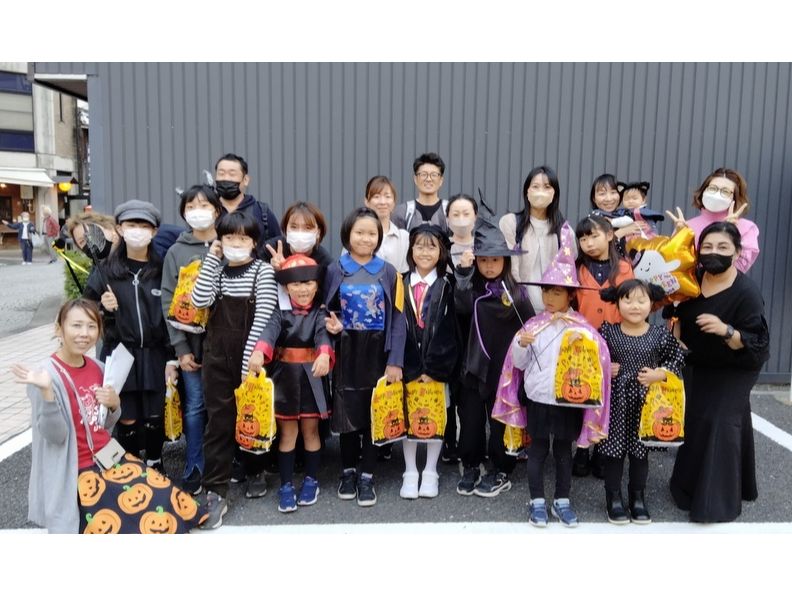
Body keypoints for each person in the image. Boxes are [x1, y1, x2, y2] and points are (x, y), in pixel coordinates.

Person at [12, 298, 205, 533]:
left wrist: (115, 405)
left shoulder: (98, 367)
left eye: (91, 326)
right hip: (78, 472)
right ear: (59, 329)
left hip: (109, 458)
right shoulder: (45, 376)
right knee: (126, 523)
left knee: (166, 497)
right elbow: (56, 436)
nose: (84, 333)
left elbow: (104, 424)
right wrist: (47, 393)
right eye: (76, 325)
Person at [493, 223, 611, 528]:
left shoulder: (583, 329)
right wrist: (521, 344)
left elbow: (597, 361)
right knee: (537, 450)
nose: (548, 297)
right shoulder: (533, 325)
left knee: (562, 452)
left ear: (570, 296)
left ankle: (562, 500)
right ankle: (537, 501)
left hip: (569, 401)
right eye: (546, 290)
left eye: (556, 292)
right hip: (538, 399)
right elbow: (518, 365)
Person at [667, 221, 769, 522]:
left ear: (737, 253)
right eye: (708, 247)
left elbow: (756, 344)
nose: (714, 252)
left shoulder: (747, 293)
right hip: (697, 361)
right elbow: (675, 315)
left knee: (719, 420)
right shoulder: (691, 279)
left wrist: (726, 330)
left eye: (723, 247)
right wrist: (675, 334)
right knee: (695, 419)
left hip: (735, 365)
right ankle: (687, 487)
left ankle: (715, 502)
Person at [191, 211, 278, 528]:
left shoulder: (262, 272)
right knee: (219, 422)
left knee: (252, 415)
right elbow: (199, 300)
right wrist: (212, 260)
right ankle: (216, 491)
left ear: (254, 242)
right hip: (216, 357)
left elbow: (263, 318)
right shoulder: (217, 271)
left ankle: (255, 471)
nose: (236, 243)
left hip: (249, 356)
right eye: (229, 237)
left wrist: (246, 368)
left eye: (243, 238)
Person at [324, 207, 407, 507]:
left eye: (372, 233)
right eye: (359, 232)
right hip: (346, 350)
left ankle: (367, 475)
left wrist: (395, 360)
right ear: (347, 234)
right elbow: (325, 310)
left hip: (378, 351)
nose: (365, 238)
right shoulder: (335, 270)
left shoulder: (389, 272)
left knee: (375, 412)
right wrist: (332, 329)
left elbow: (399, 318)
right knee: (347, 412)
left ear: (379, 237)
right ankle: (348, 471)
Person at [83, 200, 172, 475]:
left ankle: (155, 464)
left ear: (154, 232)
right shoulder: (105, 269)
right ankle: (131, 469)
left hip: (156, 352)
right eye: (131, 225)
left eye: (144, 226)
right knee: (126, 417)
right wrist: (102, 308)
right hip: (120, 352)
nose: (137, 230)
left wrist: (173, 356)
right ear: (120, 229)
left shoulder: (162, 268)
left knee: (155, 416)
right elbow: (85, 310)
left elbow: (173, 313)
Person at [454, 214, 534, 498]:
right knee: (471, 422)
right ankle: (471, 465)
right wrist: (463, 274)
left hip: (504, 371)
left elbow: (530, 326)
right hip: (473, 368)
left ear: (506, 261)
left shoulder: (517, 294)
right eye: (484, 260)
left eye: (496, 260)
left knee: (500, 421)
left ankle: (501, 469)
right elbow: (462, 307)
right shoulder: (470, 289)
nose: (489, 265)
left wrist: (527, 342)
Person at [597, 280, 685, 525]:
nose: (634, 306)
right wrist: (606, 366)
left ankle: (638, 498)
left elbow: (677, 358)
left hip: (646, 405)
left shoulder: (659, 335)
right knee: (614, 452)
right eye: (627, 300)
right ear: (616, 303)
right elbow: (592, 357)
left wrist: (660, 373)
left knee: (640, 453)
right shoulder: (607, 332)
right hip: (616, 402)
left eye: (641, 300)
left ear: (651, 304)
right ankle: (613, 498)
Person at [256, 255, 334, 513]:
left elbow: (323, 334)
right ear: (286, 287)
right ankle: (286, 485)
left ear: (317, 285)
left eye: (308, 283)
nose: (303, 289)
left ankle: (311, 480)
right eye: (296, 284)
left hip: (312, 376)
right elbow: (269, 331)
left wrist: (324, 354)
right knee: (288, 433)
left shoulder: (320, 311)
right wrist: (259, 352)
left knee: (311, 431)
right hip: (285, 378)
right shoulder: (280, 311)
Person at [160, 184, 223, 494]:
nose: (198, 211)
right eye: (191, 206)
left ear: (217, 210)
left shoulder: (230, 244)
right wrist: (181, 349)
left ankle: (227, 463)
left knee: (225, 404)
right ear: (183, 213)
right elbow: (167, 301)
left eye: (204, 205)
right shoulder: (177, 251)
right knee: (196, 405)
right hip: (193, 346)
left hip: (225, 345)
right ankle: (195, 464)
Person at [399, 224, 459, 499]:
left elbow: (450, 331)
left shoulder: (448, 285)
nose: (425, 252)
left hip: (436, 367)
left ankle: (431, 470)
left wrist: (434, 368)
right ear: (411, 249)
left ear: (441, 252)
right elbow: (396, 326)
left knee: (435, 415)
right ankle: (410, 470)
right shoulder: (399, 283)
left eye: (431, 247)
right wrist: (408, 365)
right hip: (408, 364)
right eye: (419, 246)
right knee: (408, 417)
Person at [572, 215, 634, 478]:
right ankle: (581, 449)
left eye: (594, 236)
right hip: (583, 342)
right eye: (583, 238)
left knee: (610, 398)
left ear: (610, 235)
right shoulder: (577, 268)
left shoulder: (624, 268)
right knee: (583, 395)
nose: (588, 243)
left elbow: (631, 304)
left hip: (615, 342)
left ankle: (601, 450)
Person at [499, 165, 568, 313]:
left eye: (547, 187)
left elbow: (569, 269)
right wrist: (520, 302)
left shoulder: (564, 229)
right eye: (535, 186)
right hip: (518, 307)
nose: (540, 192)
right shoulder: (511, 223)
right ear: (527, 191)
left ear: (555, 193)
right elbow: (509, 269)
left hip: (554, 311)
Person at [442, 193, 479, 463]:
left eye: (467, 214)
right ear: (447, 218)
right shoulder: (441, 247)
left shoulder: (484, 247)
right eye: (455, 214)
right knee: (449, 385)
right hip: (447, 323)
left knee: (470, 388)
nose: (461, 219)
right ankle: (448, 440)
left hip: (475, 324)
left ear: (475, 217)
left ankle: (471, 441)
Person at [677, 167, 760, 272]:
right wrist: (679, 237)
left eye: (725, 191)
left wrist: (730, 231)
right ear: (703, 191)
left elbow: (741, 267)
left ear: (734, 197)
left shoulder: (747, 228)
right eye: (712, 188)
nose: (717, 194)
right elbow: (676, 264)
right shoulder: (686, 226)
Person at [214, 152, 282, 259]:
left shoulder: (261, 212)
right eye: (221, 174)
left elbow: (278, 246)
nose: (226, 178)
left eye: (232, 174)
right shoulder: (207, 212)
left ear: (245, 180)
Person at [392, 152, 449, 232]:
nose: (428, 179)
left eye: (434, 175)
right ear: (415, 179)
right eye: (423, 174)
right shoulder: (403, 212)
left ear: (441, 180)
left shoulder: (449, 210)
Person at [364, 175, 409, 273]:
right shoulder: (357, 235)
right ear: (367, 202)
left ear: (394, 202)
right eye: (376, 196)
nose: (382, 202)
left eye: (387, 196)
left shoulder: (404, 238)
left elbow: (406, 274)